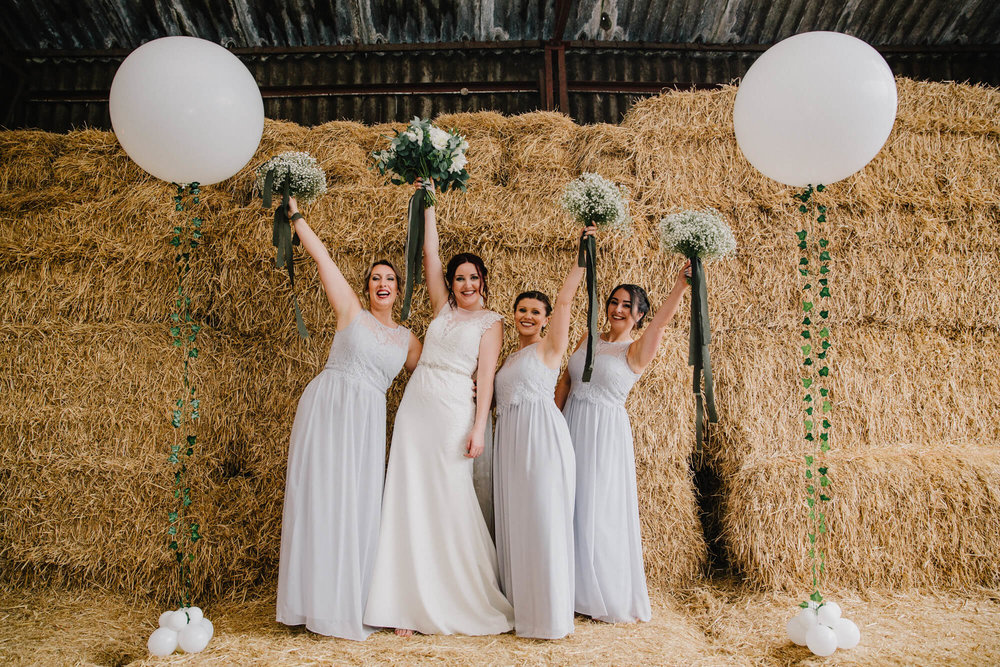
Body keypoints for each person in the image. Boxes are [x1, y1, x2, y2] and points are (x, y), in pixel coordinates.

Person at [364, 181, 514, 636]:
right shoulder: (441, 309)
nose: (466, 283)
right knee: (407, 493)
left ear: (483, 282)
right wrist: (426, 203)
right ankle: (402, 603)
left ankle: (451, 596)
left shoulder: (491, 323)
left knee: (447, 495)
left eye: (473, 277)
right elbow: (429, 256)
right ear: (451, 283)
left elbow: (485, 378)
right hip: (417, 406)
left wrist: (479, 428)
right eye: (459, 277)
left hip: (453, 409)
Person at [276, 197, 421, 640]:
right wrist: (296, 216)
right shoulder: (350, 313)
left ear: (399, 289)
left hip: (367, 420)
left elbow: (437, 374)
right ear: (367, 286)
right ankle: (316, 602)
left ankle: (358, 600)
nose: (382, 283)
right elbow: (322, 257)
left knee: (359, 501)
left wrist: (477, 388)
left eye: (389, 279)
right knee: (323, 497)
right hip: (329, 407)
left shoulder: (408, 339)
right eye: (375, 278)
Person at [554, 261, 692, 624]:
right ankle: (566, 588)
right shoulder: (588, 337)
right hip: (571, 423)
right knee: (567, 502)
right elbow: (566, 383)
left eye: (627, 306)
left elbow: (663, 322)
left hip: (604, 435)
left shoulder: (637, 350)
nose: (617, 309)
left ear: (639, 315)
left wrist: (680, 285)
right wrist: (552, 423)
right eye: (614, 301)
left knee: (598, 508)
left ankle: (602, 594)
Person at [493, 226, 595, 639]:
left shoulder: (550, 349)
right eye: (522, 310)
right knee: (518, 520)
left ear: (546, 319)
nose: (527, 316)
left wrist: (580, 257)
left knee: (543, 518)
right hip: (510, 444)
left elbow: (567, 299)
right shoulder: (508, 357)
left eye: (536, 312)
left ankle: (550, 618)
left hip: (542, 440)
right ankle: (523, 609)